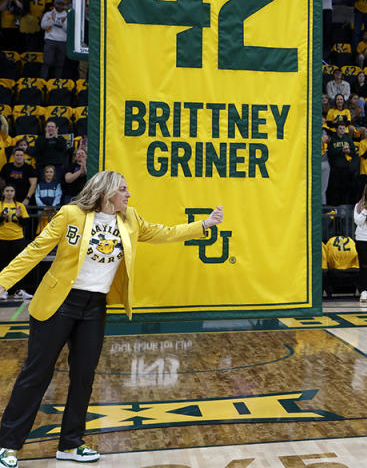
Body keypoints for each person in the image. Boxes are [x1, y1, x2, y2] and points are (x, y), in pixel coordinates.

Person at [0, 172, 223, 465]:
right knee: (36, 374)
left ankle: (69, 444)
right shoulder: (71, 214)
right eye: (123, 189)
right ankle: (7, 445)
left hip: (94, 307)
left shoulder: (129, 218)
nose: (129, 194)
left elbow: (163, 232)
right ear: (106, 193)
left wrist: (204, 225)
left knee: (84, 377)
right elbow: (36, 249)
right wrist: (4, 281)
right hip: (58, 303)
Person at [40, 0, 68, 80]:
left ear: (64, 6)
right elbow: (42, 26)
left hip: (62, 42)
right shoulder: (48, 14)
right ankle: (43, 81)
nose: (60, 6)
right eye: (58, 4)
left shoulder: (67, 15)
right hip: (50, 40)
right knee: (47, 62)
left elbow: (68, 29)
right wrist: (52, 20)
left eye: (61, 4)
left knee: (60, 64)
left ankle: (57, 82)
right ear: (55, 4)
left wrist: (62, 23)